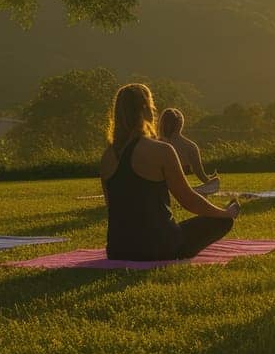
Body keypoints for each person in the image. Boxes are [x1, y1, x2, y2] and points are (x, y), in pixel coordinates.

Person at [100, 83, 239, 261]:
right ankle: (227, 213)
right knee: (223, 222)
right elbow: (189, 200)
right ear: (145, 110)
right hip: (160, 247)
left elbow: (113, 207)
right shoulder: (161, 151)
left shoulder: (107, 157)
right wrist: (224, 213)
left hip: (118, 249)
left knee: (175, 228)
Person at [158, 108, 219, 195]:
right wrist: (209, 181)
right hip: (178, 186)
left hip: (160, 185)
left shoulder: (154, 144)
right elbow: (199, 173)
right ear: (180, 124)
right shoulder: (190, 146)